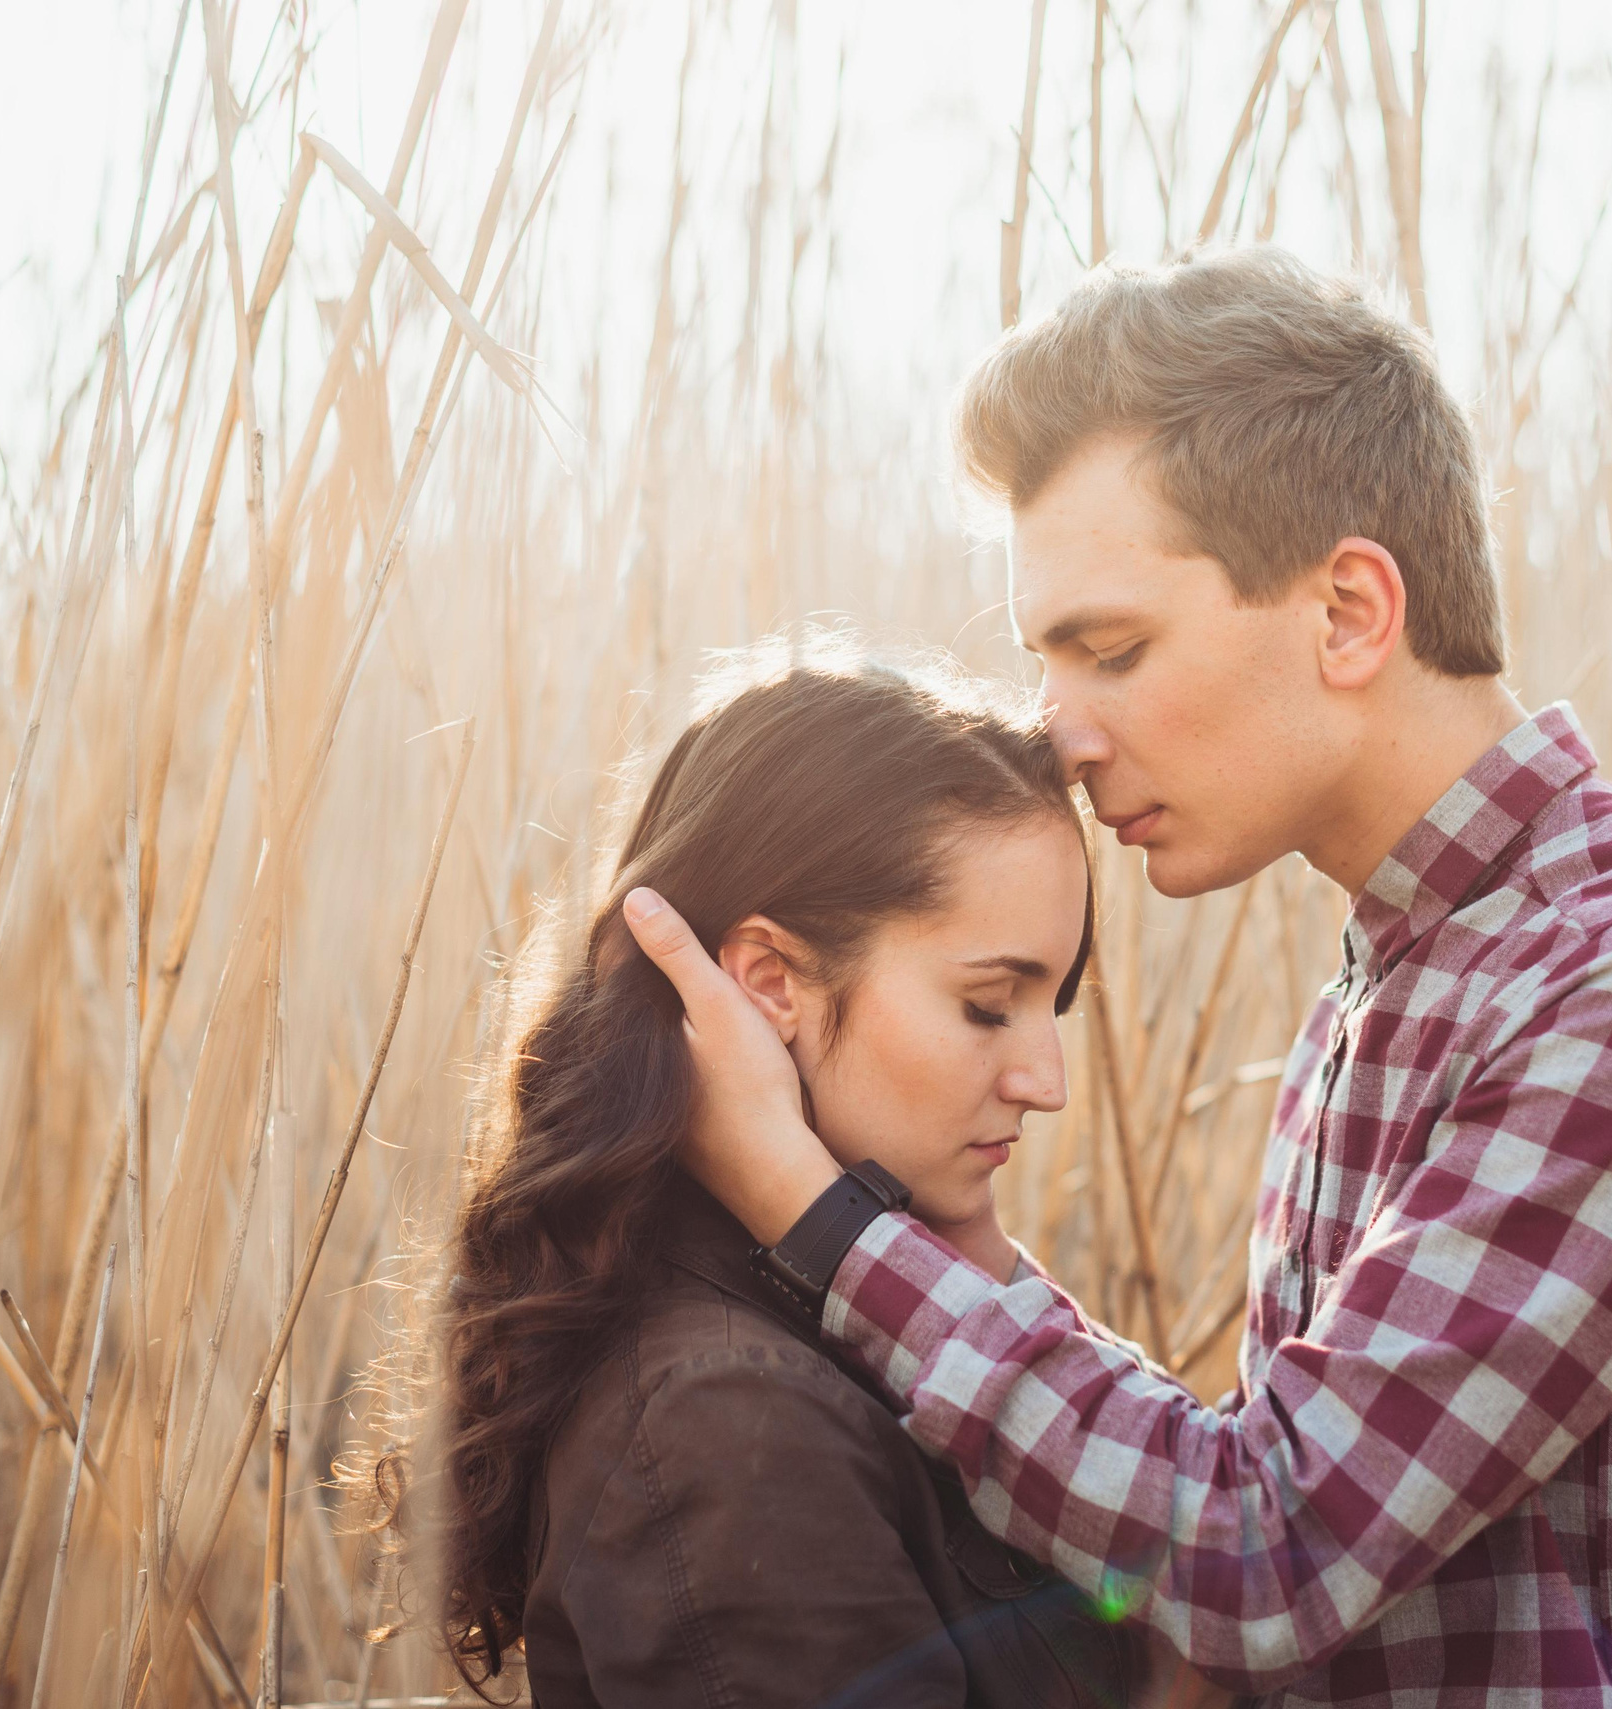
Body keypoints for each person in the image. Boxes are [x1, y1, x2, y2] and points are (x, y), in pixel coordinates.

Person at [624, 249, 1612, 1705]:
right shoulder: (1382, 996)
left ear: (1346, 612)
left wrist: (818, 1220)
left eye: (1113, 649)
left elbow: (1272, 1546)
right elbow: (1272, 1503)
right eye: (1046, 660)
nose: (1060, 734)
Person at [383, 636, 1143, 1706]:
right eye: (986, 1004)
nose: (1045, 1080)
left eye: (1050, 1004)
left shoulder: (858, 1315)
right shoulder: (726, 1414)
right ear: (768, 982)